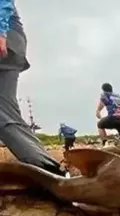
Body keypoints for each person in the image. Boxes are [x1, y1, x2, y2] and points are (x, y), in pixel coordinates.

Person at [0, 0, 65, 175]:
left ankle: (47, 170)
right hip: (13, 42)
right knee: (7, 112)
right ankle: (51, 168)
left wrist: (1, 31)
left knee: (3, 113)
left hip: (7, 39)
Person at [95, 82, 120, 151]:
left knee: (100, 124)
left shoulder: (105, 94)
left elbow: (102, 102)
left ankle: (105, 143)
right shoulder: (119, 96)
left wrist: (98, 111)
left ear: (103, 90)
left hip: (113, 117)